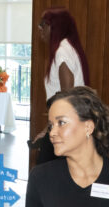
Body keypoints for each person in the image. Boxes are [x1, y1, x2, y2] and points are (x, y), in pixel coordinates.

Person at [30, 7, 90, 165]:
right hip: (67, 121)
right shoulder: (67, 48)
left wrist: (49, 129)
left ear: (56, 27)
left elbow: (67, 96)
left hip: (66, 123)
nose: (40, 28)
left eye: (44, 24)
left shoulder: (62, 51)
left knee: (44, 174)